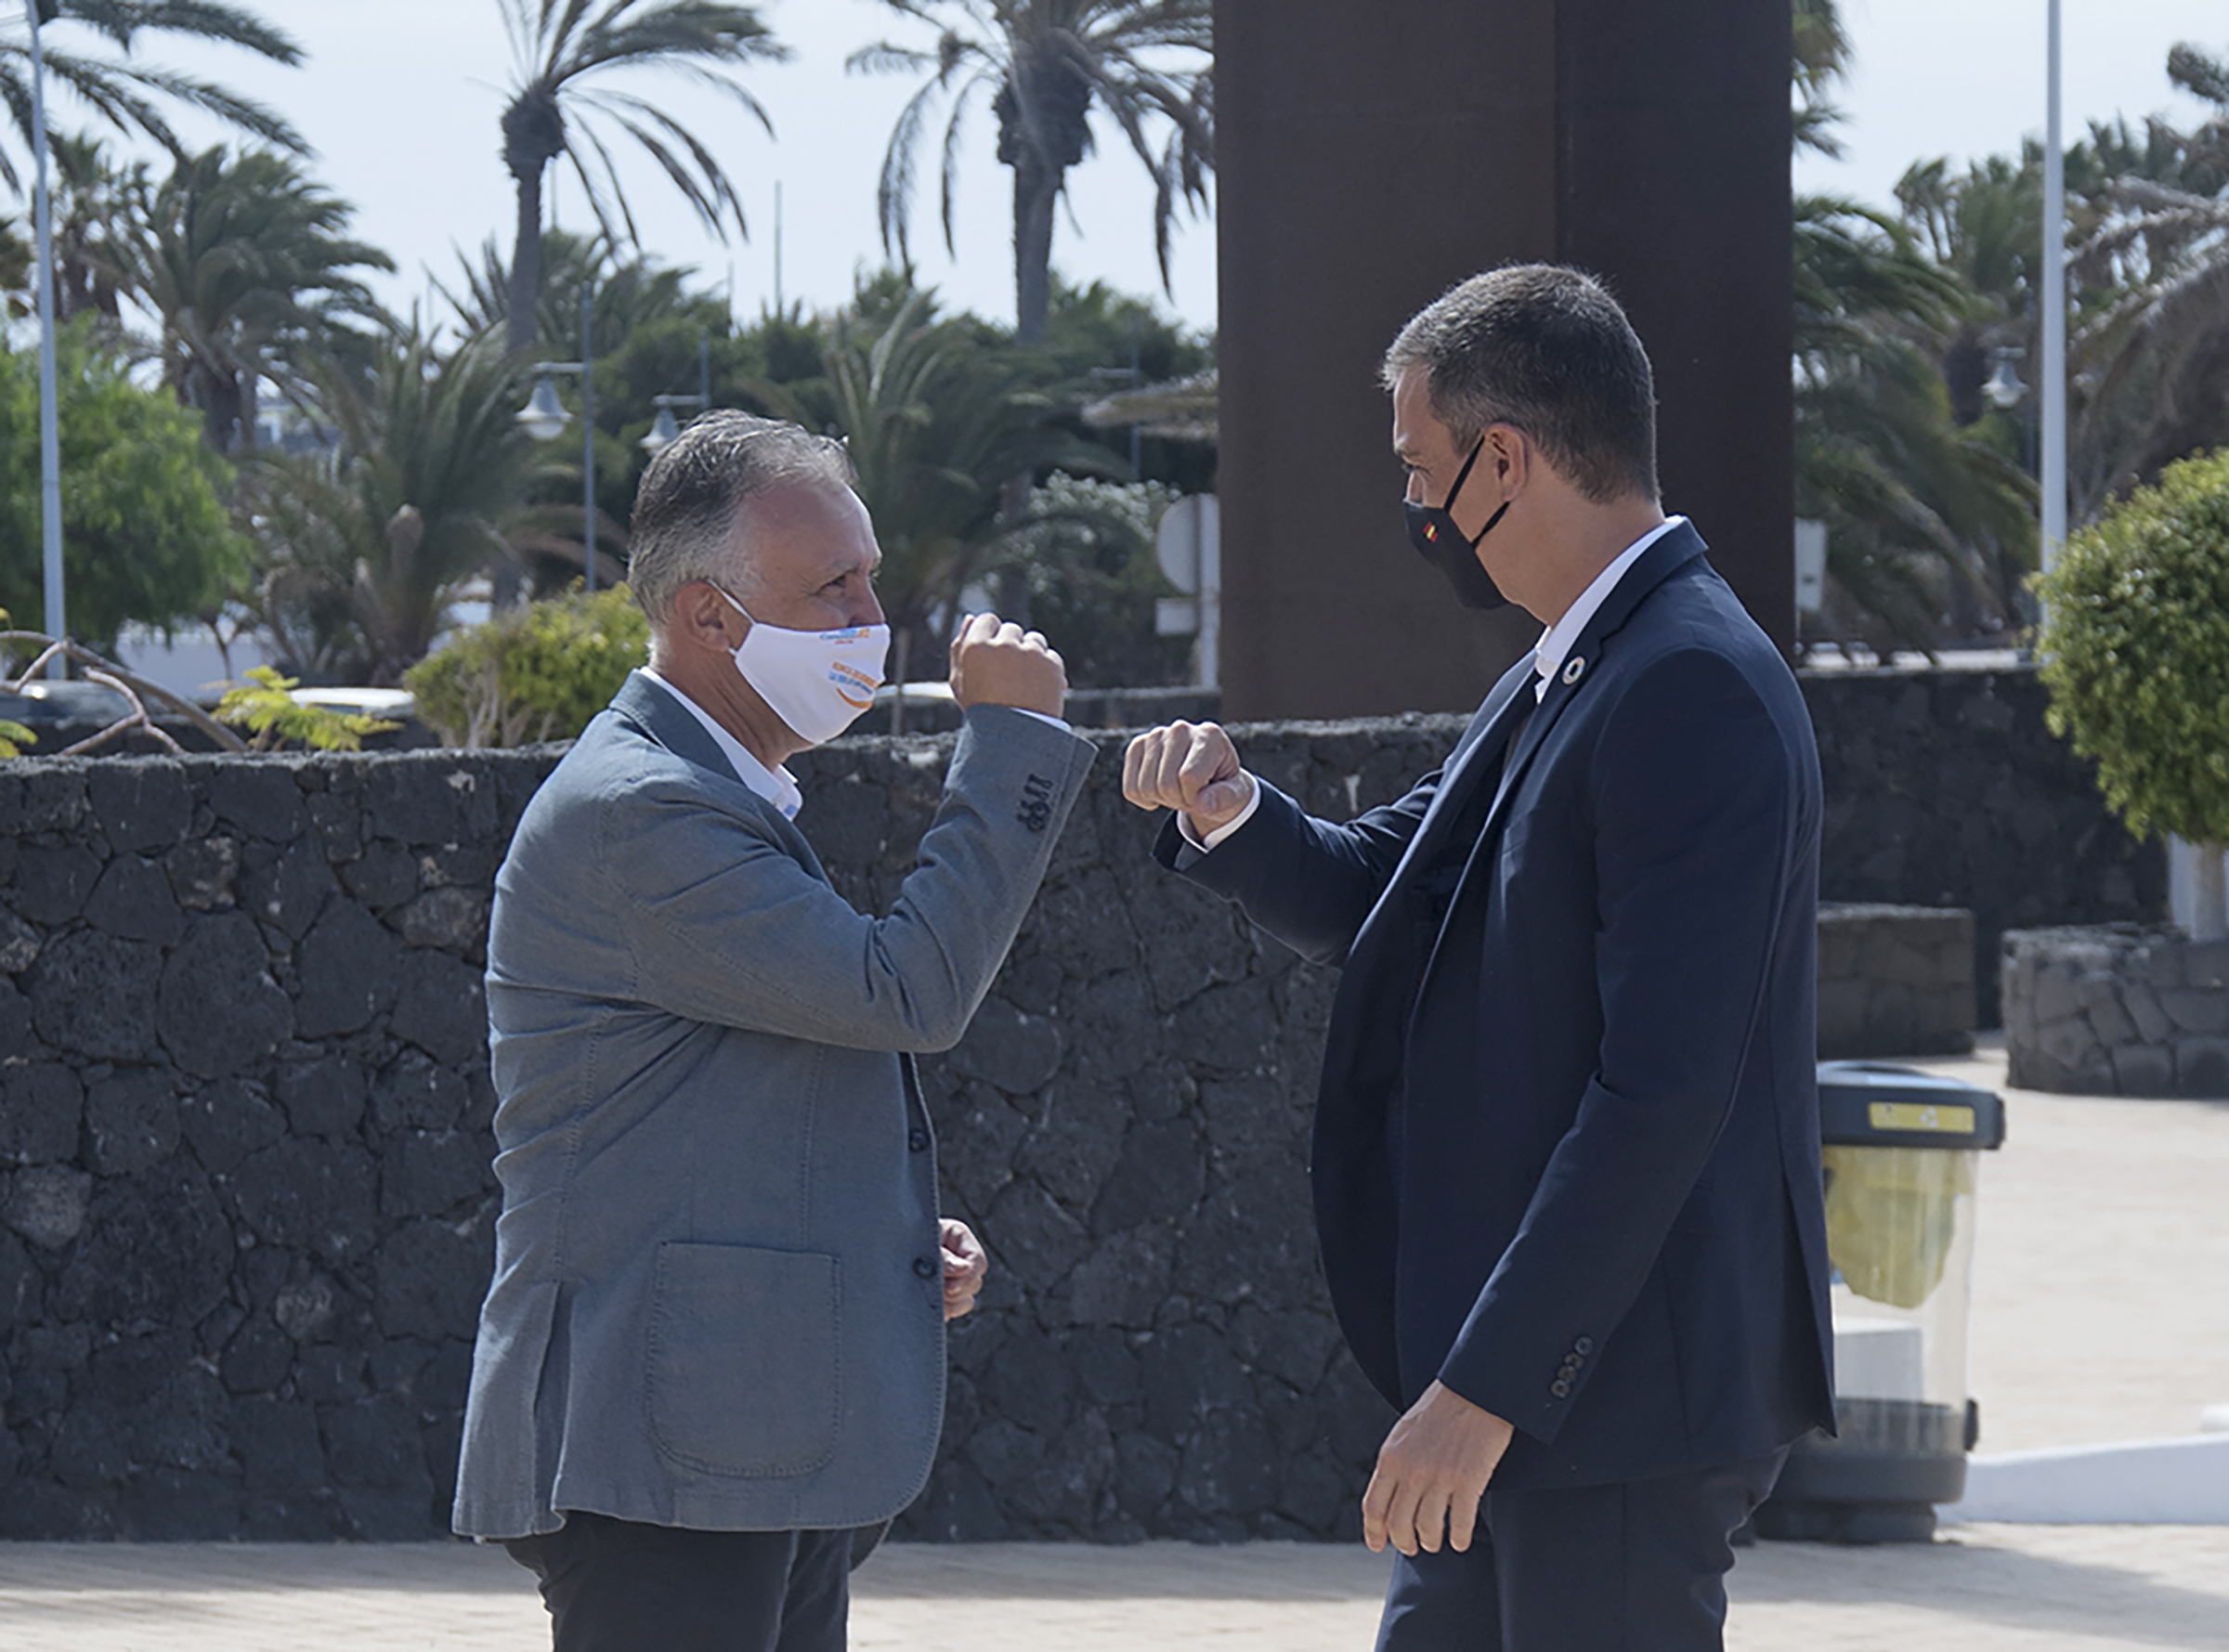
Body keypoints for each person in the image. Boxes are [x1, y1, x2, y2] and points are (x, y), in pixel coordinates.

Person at [1123, 266, 1833, 1652]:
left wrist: (1490, 1386)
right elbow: (1384, 886)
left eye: (1421, 468)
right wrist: (1228, 809)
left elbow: (1662, 1096)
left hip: (1616, 1401)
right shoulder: (1573, 664)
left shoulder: (1686, 684)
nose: (1416, 510)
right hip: (1531, 1396)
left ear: (1503, 459)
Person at [453, 412, 1096, 1652]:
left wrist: (892, 1237)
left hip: (737, 1446)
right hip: (670, 1454)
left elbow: (740, 1092)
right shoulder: (642, 812)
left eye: (868, 576)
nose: (875, 615)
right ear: (708, 618)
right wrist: (1014, 747)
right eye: (833, 587)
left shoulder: (706, 791)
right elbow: (905, 990)